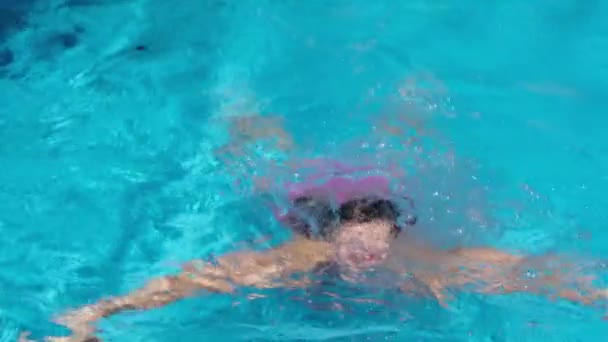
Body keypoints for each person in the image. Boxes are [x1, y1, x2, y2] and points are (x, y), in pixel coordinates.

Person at [44, 175, 607, 342]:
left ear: (394, 240)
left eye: (376, 245)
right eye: (352, 245)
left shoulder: (422, 262)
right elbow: (200, 280)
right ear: (332, 241)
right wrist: (99, 312)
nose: (365, 256)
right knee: (271, 179)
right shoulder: (299, 257)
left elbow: (525, 271)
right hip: (307, 216)